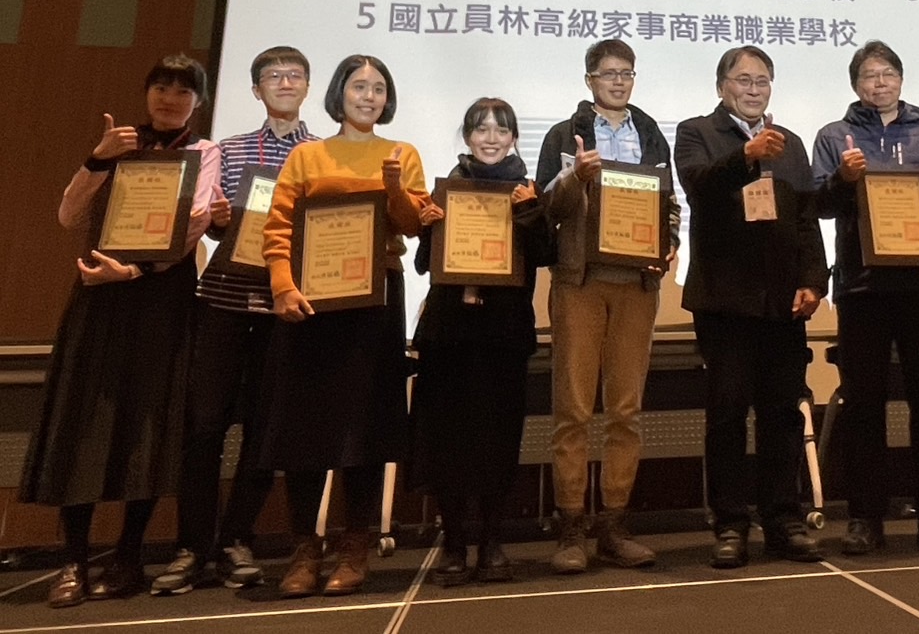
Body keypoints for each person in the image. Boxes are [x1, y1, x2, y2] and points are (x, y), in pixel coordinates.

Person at [21, 55, 222, 608]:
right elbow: (68, 215)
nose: (170, 98)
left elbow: (195, 224)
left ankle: (129, 555)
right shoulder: (116, 145)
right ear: (147, 91)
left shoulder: (204, 152)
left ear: (198, 102)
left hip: (160, 300)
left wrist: (134, 270)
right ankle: (73, 561)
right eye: (162, 87)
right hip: (99, 298)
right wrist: (97, 160)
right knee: (81, 422)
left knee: (149, 428)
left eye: (183, 91)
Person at [258, 54, 432, 597]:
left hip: (377, 304)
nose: (369, 96)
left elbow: (414, 226)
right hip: (312, 304)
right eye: (359, 86)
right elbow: (278, 227)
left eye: (379, 88)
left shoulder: (402, 153)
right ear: (339, 93)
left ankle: (355, 547)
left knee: (367, 428)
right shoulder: (306, 156)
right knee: (306, 430)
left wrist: (395, 188)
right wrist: (282, 286)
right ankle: (304, 549)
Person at [153, 47, 316, 596]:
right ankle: (192, 546)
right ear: (255, 90)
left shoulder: (319, 153)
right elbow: (214, 222)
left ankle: (236, 540)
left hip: (283, 308)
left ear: (308, 86)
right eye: (273, 76)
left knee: (264, 432)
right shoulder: (228, 149)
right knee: (203, 428)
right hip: (222, 302)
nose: (284, 82)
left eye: (294, 75)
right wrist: (219, 221)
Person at [811, 40, 919, 556]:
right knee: (864, 406)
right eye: (869, 75)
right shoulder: (834, 136)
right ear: (855, 84)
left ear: (900, 80)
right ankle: (864, 517)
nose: (879, 83)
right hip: (862, 290)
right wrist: (843, 178)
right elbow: (818, 204)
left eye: (887, 74)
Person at [674, 46, 829, 568]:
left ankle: (784, 520)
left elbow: (805, 218)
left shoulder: (791, 143)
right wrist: (746, 154)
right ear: (722, 86)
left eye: (762, 80)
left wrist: (814, 281)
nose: (754, 89)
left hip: (782, 300)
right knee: (727, 415)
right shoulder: (696, 132)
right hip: (725, 301)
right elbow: (699, 189)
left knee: (783, 414)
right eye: (743, 80)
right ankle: (730, 524)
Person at [535, 39, 680, 573]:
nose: (619, 81)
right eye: (609, 73)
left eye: (627, 73)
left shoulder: (650, 133)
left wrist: (670, 242)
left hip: (637, 284)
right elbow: (544, 208)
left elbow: (669, 204)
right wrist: (576, 176)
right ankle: (571, 527)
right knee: (573, 409)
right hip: (580, 281)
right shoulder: (564, 134)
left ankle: (614, 525)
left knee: (625, 410)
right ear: (589, 79)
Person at [411, 97, 550, 585]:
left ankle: (492, 541)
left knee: (498, 440)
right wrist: (428, 227)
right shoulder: (447, 189)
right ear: (467, 136)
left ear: (513, 138)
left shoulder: (527, 191)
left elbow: (545, 255)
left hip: (503, 335)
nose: (491, 138)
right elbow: (425, 266)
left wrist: (530, 213)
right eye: (481, 129)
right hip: (449, 334)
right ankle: (453, 543)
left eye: (501, 129)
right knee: (447, 439)